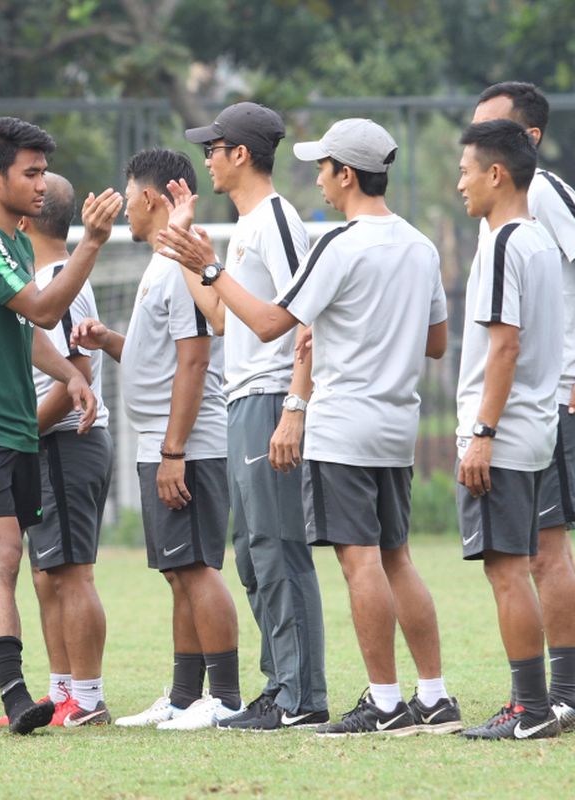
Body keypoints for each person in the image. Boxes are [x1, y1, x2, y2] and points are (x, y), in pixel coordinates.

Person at [163, 118, 457, 736]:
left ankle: (381, 704)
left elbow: (275, 325)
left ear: (346, 174)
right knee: (397, 558)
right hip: (397, 425)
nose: (317, 178)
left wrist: (214, 273)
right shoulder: (421, 246)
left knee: (359, 564)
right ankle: (433, 696)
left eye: (323, 166)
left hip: (343, 422)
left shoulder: (335, 244)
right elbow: (435, 344)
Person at [0, 116, 118, 736]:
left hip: (12, 427)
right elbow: (44, 305)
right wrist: (90, 242)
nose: (42, 185)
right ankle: (15, 698)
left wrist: (71, 374)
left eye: (43, 172)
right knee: (4, 556)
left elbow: (26, 329)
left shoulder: (11, 240)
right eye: (30, 173)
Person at [173, 101, 329, 731]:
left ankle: (300, 696)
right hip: (243, 401)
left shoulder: (277, 219)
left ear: (240, 154)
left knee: (279, 548)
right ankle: (279, 688)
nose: (206, 158)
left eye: (213, 147)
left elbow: (306, 314)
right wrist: (188, 250)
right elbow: (220, 316)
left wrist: (295, 406)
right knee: (253, 554)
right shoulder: (244, 228)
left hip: (270, 400)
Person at [74, 149, 240, 731]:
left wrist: (174, 451)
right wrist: (109, 340)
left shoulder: (180, 261)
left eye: (128, 193)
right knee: (178, 571)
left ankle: (224, 697)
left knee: (196, 567)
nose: (124, 209)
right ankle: (183, 696)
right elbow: (160, 354)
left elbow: (194, 363)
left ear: (150, 198)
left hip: (185, 444)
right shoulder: (159, 261)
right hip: (159, 439)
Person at [453, 119, 562, 740]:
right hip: (535, 429)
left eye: (466, 170)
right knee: (518, 563)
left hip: (506, 432)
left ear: (496, 174)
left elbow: (505, 348)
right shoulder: (542, 241)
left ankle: (530, 709)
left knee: (505, 568)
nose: (460, 182)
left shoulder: (501, 244)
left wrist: (483, 432)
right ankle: (534, 705)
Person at [472, 81, 575, 730]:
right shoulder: (507, 215)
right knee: (538, 547)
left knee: (544, 550)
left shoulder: (540, 196)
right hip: (542, 395)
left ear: (523, 142)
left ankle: (558, 690)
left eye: (488, 132)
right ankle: (555, 693)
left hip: (548, 396)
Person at [13, 172, 113, 727]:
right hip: (44, 443)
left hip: (67, 441)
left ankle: (89, 697)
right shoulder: (40, 281)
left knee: (73, 572)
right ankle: (61, 694)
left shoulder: (61, 278)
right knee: (46, 573)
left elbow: (78, 373)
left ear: (25, 217)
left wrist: (22, 433)